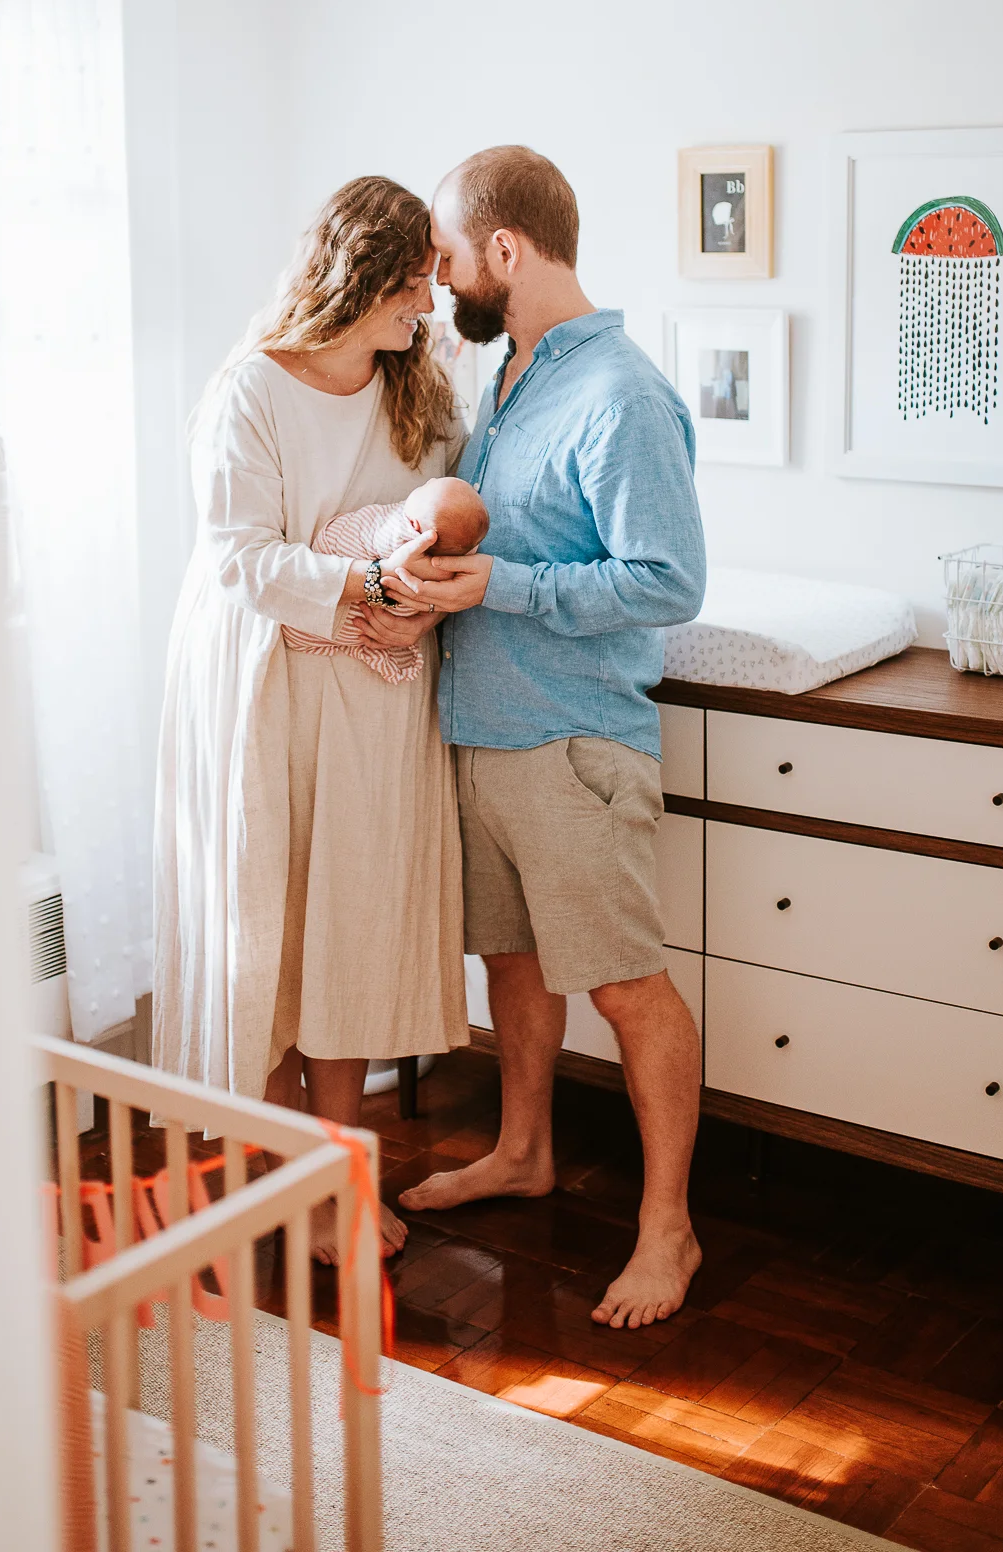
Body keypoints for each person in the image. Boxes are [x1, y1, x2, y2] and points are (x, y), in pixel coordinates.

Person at [391, 144, 707, 1329]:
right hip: (483, 730)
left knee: (626, 987)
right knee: (511, 967)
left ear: (505, 251)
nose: (442, 281)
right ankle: (525, 1149)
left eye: (451, 257)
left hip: (573, 742)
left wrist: (502, 587)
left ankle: (668, 1224)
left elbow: (669, 580)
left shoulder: (620, 392)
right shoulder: (510, 375)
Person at [151, 176, 469, 1261]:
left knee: (350, 923)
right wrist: (362, 590)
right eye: (413, 283)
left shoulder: (416, 392)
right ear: (363, 274)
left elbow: (439, 526)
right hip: (264, 683)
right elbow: (235, 554)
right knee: (272, 924)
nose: (426, 304)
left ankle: (340, 1169)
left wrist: (414, 599)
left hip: (375, 688)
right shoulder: (254, 390)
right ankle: (293, 1170)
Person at [282, 477, 489, 682]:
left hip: (342, 604)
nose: (430, 479)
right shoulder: (457, 558)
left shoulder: (400, 531)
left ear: (415, 526)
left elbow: (379, 536)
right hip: (366, 611)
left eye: (426, 487)